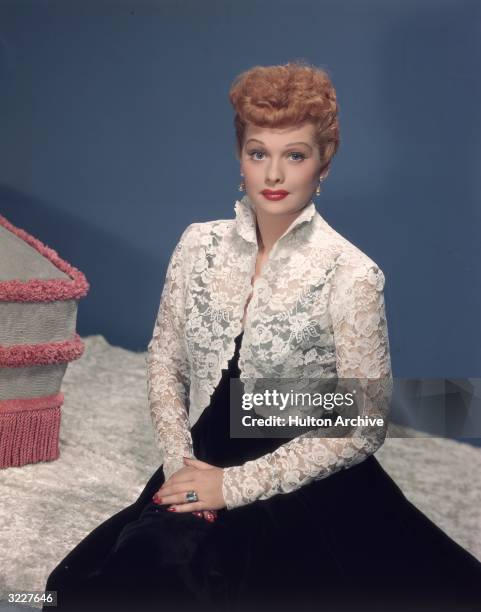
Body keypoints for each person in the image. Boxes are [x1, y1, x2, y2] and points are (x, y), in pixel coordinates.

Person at [43, 60, 481, 612]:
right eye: (259, 153)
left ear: (323, 164)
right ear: (240, 158)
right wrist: (182, 465)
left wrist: (232, 488)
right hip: (199, 456)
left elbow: (364, 425)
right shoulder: (196, 246)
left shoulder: (352, 275)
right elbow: (165, 362)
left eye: (294, 155)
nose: (273, 175)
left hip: (302, 479)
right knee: (114, 580)